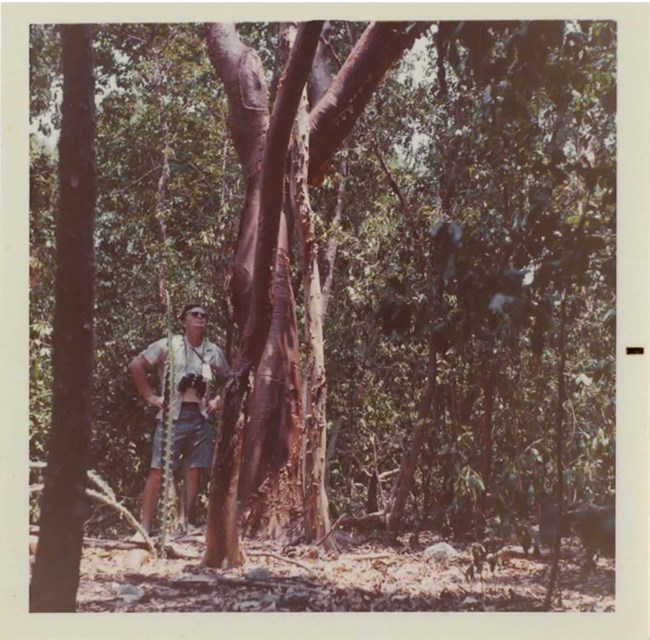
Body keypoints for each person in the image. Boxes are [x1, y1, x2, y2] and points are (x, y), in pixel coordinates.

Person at [128, 302, 230, 537]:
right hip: (172, 415)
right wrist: (151, 396)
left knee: (194, 470)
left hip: (200, 416)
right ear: (183, 321)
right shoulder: (169, 344)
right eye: (194, 314)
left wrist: (218, 400)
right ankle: (144, 527)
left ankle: (184, 523)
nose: (200, 317)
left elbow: (229, 379)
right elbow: (136, 364)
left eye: (204, 315)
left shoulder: (212, 350)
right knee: (158, 470)